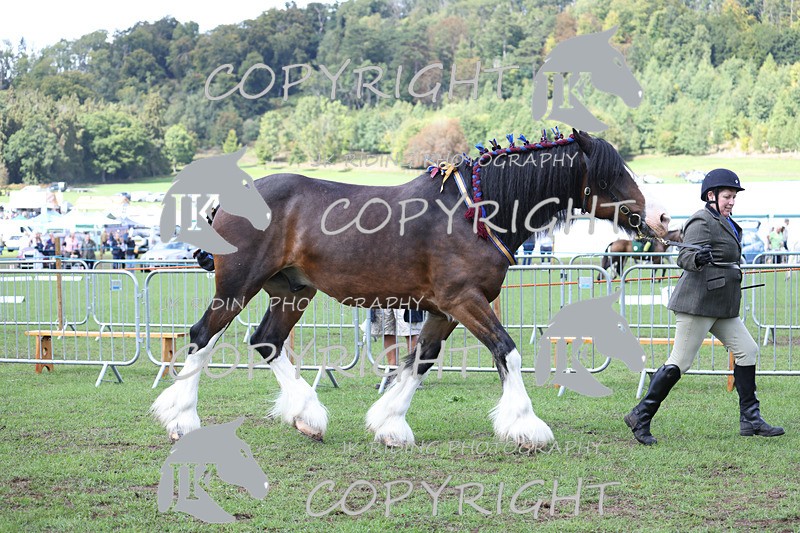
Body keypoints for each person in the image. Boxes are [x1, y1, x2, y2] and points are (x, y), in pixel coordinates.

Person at [624, 169, 783, 445]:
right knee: (680, 362)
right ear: (711, 195)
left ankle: (751, 419)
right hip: (697, 304)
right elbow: (684, 256)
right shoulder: (702, 220)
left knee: (748, 350)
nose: (731, 201)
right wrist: (698, 258)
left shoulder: (726, 221)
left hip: (721, 304)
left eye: (733, 197)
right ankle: (640, 415)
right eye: (727, 196)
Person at [370, 308, 423, 388]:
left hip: (405, 301)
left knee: (410, 330)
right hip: (383, 300)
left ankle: (414, 374)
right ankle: (392, 373)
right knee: (386, 331)